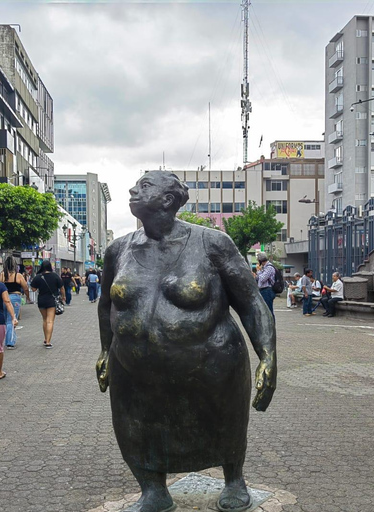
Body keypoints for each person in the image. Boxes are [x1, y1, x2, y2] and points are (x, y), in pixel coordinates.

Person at [96, 171, 276, 512]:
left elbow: (252, 301)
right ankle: (153, 490)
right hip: (134, 368)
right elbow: (107, 304)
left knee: (225, 421)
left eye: (144, 185)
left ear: (167, 200)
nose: (133, 189)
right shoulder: (118, 249)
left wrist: (267, 356)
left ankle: (234, 480)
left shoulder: (212, 243)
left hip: (211, 363)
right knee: (136, 426)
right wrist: (105, 350)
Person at [0, 256, 29, 349]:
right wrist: (27, 296)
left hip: (3, 298)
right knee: (12, 319)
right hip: (15, 298)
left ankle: (8, 339)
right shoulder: (18, 275)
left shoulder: (0, 275)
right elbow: (25, 287)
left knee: (5, 319)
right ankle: (10, 341)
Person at [30, 260, 64, 348]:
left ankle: (46, 338)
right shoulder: (55, 276)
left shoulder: (38, 277)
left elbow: (33, 289)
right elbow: (62, 288)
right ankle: (48, 341)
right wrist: (63, 297)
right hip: (52, 300)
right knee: (50, 321)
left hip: (41, 300)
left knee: (45, 319)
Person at [254, 252, 276, 317]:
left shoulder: (269, 267)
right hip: (262, 290)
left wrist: (258, 270)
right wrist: (256, 276)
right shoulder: (264, 268)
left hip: (267, 290)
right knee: (264, 310)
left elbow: (263, 279)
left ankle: (271, 326)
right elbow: (259, 278)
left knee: (268, 310)